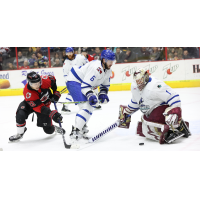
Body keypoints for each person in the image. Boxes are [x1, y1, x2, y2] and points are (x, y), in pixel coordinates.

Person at [119, 69, 191, 144]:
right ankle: (177, 127)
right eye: (137, 81)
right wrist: (127, 111)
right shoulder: (134, 86)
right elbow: (136, 101)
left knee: (150, 122)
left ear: (145, 77)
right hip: (149, 112)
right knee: (144, 127)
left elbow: (173, 96)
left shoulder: (155, 85)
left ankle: (172, 128)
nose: (138, 83)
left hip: (161, 109)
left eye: (140, 80)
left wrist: (175, 112)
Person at [66, 49, 115, 140]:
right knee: (86, 106)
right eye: (110, 61)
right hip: (74, 80)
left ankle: (81, 126)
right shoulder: (96, 68)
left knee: (90, 105)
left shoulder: (108, 70)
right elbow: (85, 86)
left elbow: (104, 85)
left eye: (113, 61)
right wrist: (90, 95)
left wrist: (103, 94)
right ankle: (76, 131)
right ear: (104, 60)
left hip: (81, 82)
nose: (111, 63)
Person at [9, 71, 64, 142]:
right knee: (20, 115)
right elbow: (38, 107)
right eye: (35, 84)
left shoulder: (44, 80)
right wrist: (51, 113)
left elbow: (52, 79)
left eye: (39, 83)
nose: (38, 85)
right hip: (31, 105)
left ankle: (54, 128)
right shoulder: (28, 92)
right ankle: (20, 133)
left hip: (44, 105)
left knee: (49, 131)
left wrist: (55, 92)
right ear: (29, 83)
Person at [62, 47, 89, 114]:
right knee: (74, 92)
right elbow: (65, 74)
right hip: (73, 80)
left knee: (73, 93)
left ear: (73, 52)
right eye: (67, 53)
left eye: (70, 52)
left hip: (82, 77)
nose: (69, 54)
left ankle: (65, 106)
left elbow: (88, 64)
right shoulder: (66, 63)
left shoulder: (80, 57)